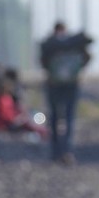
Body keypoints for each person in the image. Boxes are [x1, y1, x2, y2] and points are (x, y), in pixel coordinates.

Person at [38, 21, 92, 165]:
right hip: (71, 85)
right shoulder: (74, 44)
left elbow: (42, 62)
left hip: (53, 85)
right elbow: (87, 58)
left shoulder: (50, 44)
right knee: (69, 118)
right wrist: (77, 69)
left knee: (55, 118)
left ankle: (55, 152)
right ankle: (67, 151)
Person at [0, 67, 47, 139]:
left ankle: (43, 132)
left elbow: (12, 111)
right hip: (0, 125)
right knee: (26, 124)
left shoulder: (7, 97)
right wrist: (16, 119)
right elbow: (3, 116)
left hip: (9, 121)